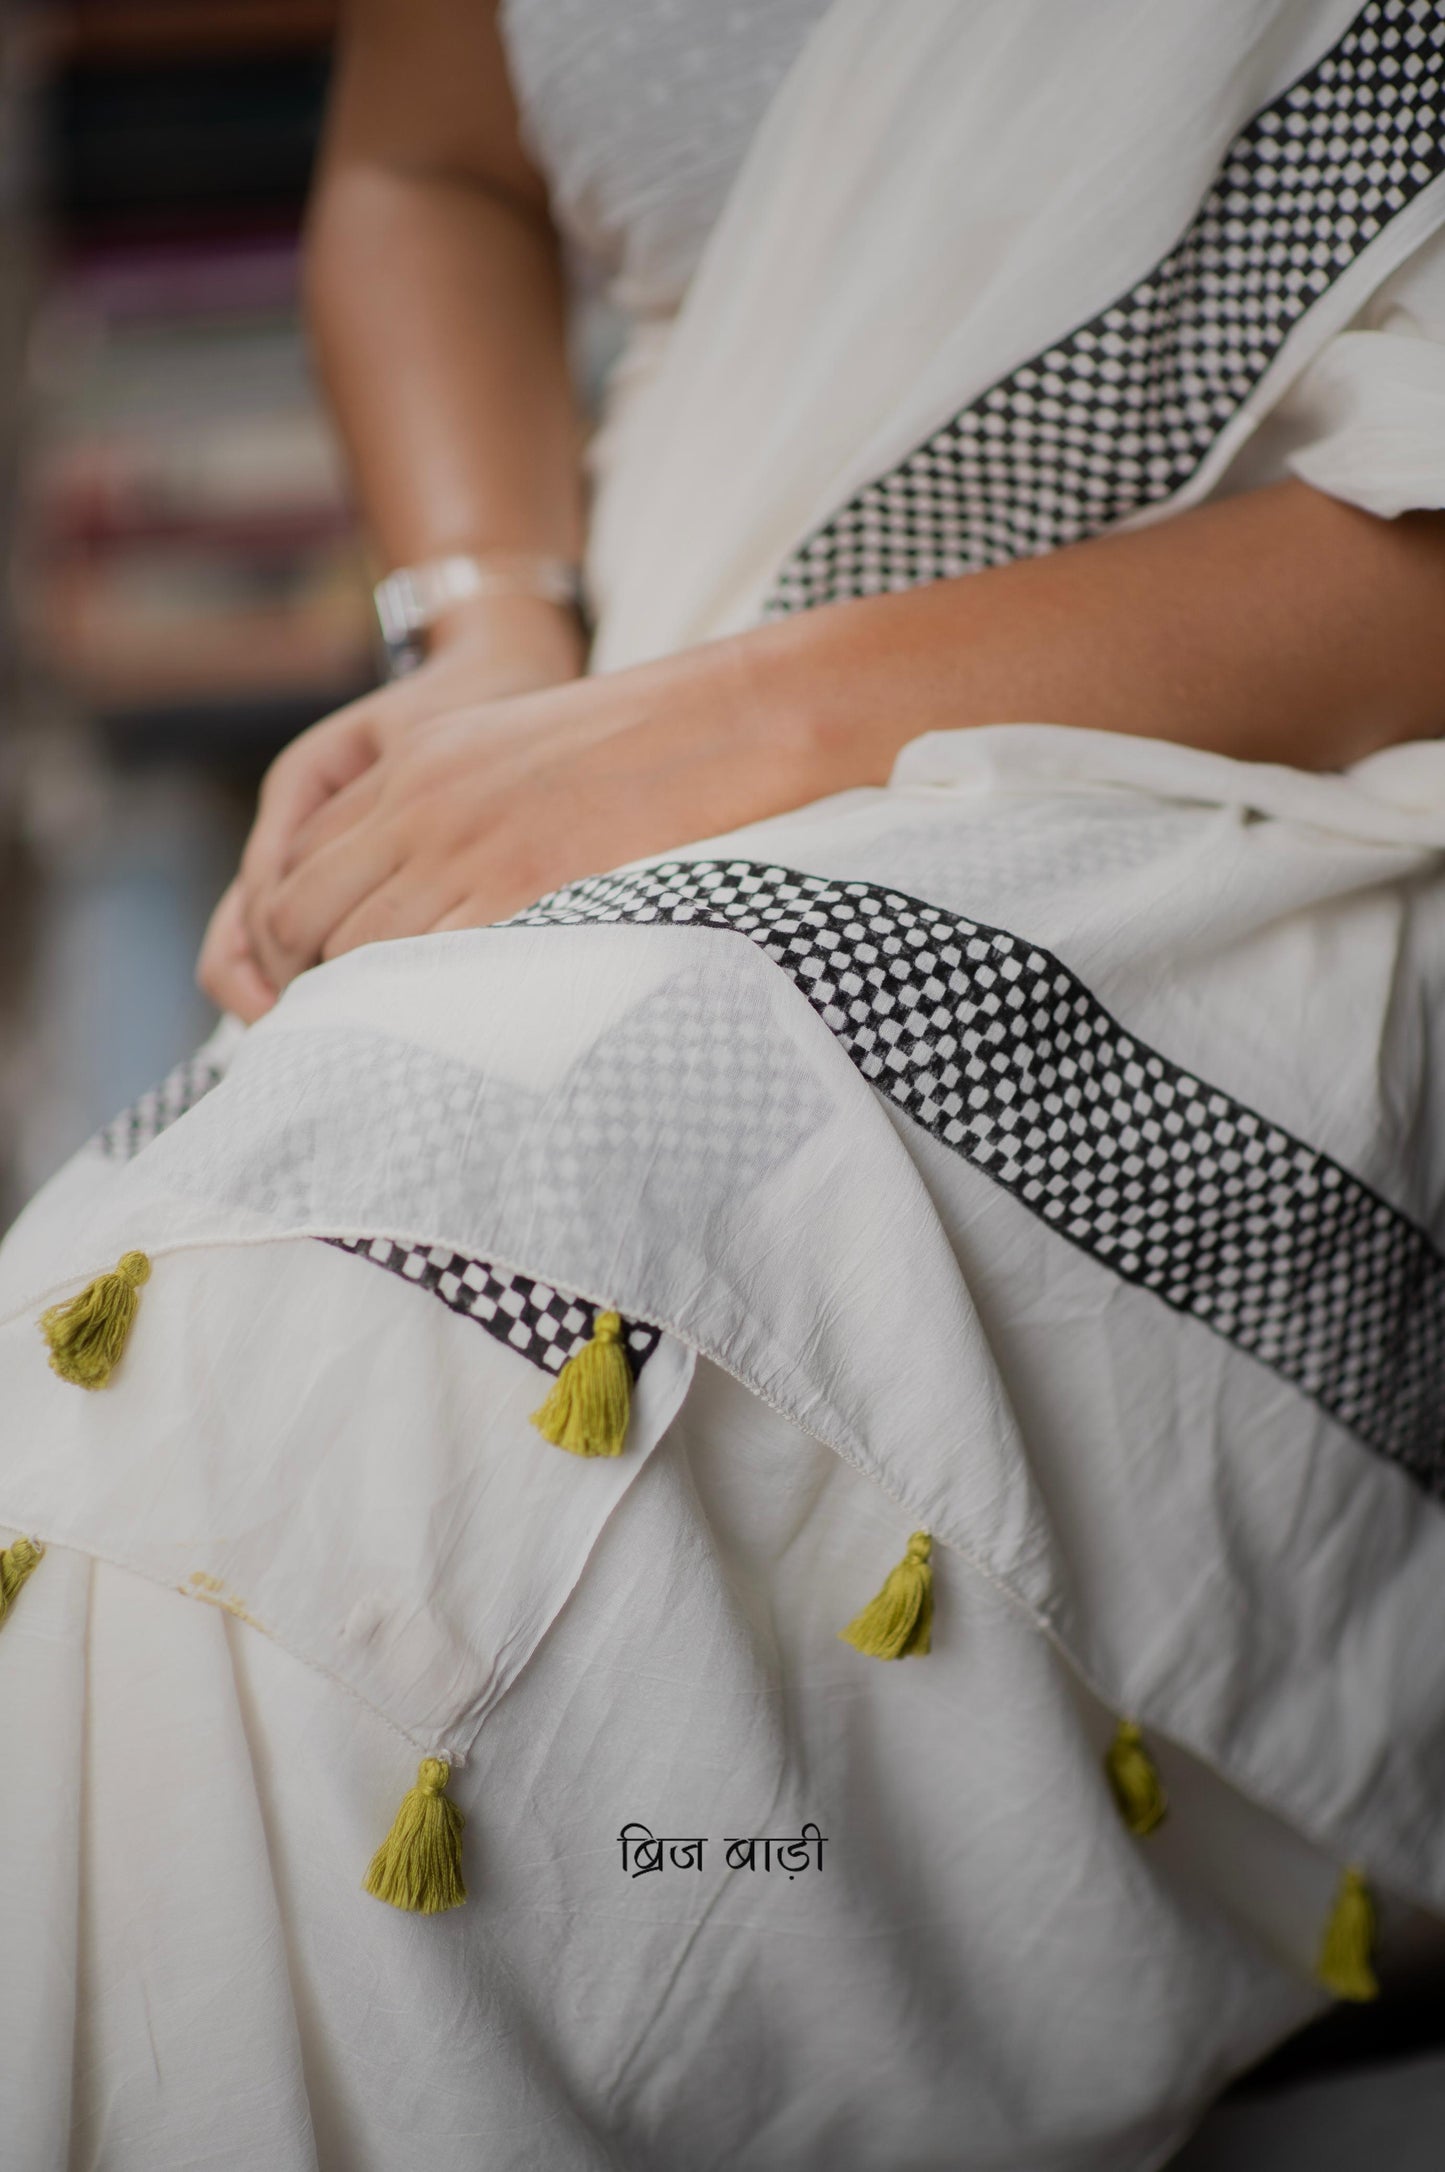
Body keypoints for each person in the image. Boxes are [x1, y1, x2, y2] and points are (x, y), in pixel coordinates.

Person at [4, 3, 1445, 2166]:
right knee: (177, 1375)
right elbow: (427, 166)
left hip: (1299, 802)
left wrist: (710, 739)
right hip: (640, 706)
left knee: (362, 1353)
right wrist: (491, 639)